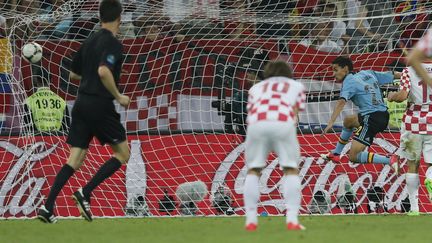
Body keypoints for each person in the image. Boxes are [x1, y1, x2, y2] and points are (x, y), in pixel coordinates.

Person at [37, 0, 130, 223]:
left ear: (100, 17)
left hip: (81, 103)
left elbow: (73, 75)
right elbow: (103, 70)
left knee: (75, 158)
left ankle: (47, 208)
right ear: (120, 17)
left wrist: (92, 75)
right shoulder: (113, 44)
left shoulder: (89, 40)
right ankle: (85, 192)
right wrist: (119, 96)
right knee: (123, 153)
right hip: (100, 104)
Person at [243, 60, 306, 231]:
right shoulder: (296, 86)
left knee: (253, 170)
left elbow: (252, 110)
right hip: (283, 123)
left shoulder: (255, 88)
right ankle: (292, 218)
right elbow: (294, 112)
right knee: (291, 170)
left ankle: (250, 220)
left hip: (257, 125)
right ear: (288, 73)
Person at [322, 56, 400, 171]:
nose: (333, 74)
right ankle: (336, 154)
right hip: (382, 114)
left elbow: (341, 101)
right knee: (349, 121)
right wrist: (411, 75)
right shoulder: (368, 73)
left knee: (354, 156)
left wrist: (331, 122)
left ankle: (389, 160)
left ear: (345, 68)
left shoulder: (349, 81)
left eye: (335, 69)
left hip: (371, 118)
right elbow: (393, 74)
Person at [387, 63, 432, 216]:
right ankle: (431, 178)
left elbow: (402, 96)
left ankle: (414, 209)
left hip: (413, 121)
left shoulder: (409, 70)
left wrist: (392, 96)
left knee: (413, 164)